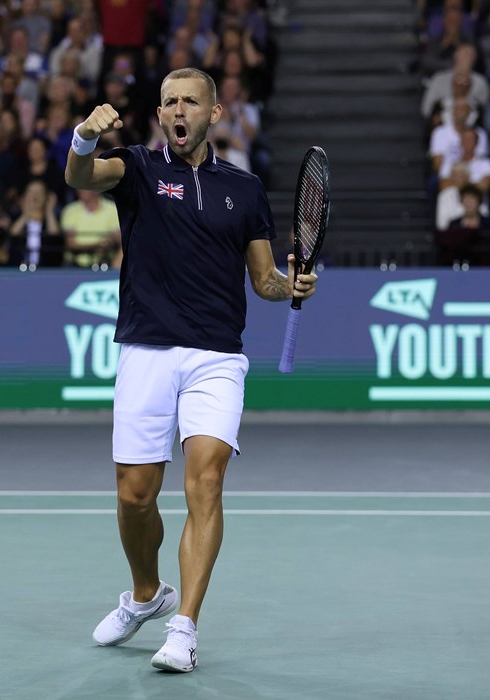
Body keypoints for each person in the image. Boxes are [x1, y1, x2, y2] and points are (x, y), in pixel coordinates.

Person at [64, 67, 317, 673]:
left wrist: (291, 285)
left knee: (204, 482)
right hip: (146, 350)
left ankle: (184, 629)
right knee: (135, 495)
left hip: (216, 358)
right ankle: (147, 596)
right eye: (169, 102)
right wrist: (82, 137)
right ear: (161, 114)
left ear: (213, 113)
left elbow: (263, 281)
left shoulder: (246, 190)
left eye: (189, 102)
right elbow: (79, 177)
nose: (178, 111)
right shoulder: (139, 169)